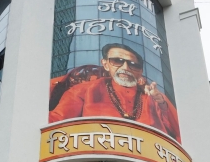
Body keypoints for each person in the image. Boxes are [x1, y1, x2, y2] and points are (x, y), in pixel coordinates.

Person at [48, 43, 180, 142]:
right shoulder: (84, 90)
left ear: (140, 71)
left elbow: (180, 135)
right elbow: (57, 121)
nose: (125, 68)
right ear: (105, 64)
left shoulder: (154, 96)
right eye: (117, 61)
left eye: (133, 64)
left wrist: (162, 104)